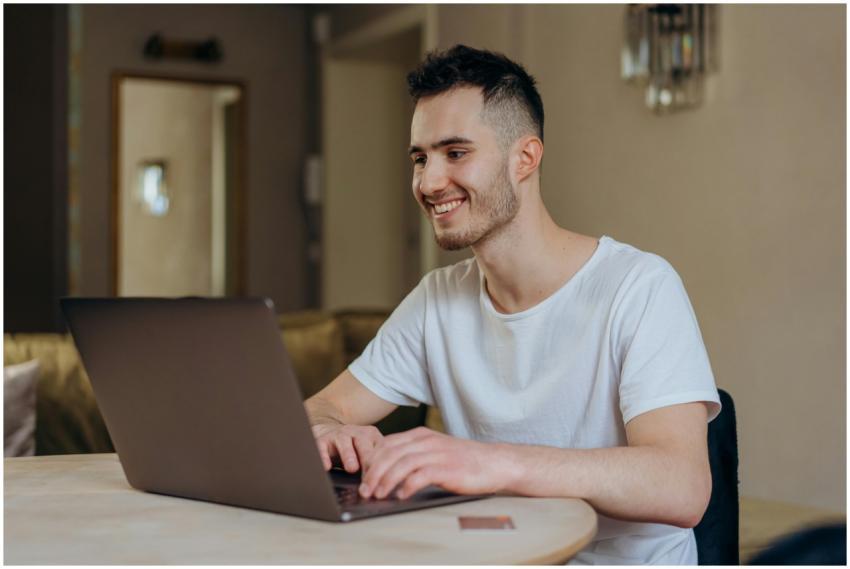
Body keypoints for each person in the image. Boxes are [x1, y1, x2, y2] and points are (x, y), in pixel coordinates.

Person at [305, 44, 721, 565]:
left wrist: (491, 463)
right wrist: (329, 432)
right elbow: (321, 408)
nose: (429, 182)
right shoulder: (439, 298)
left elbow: (683, 487)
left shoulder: (638, 287)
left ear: (524, 157)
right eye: (420, 157)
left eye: (455, 153)